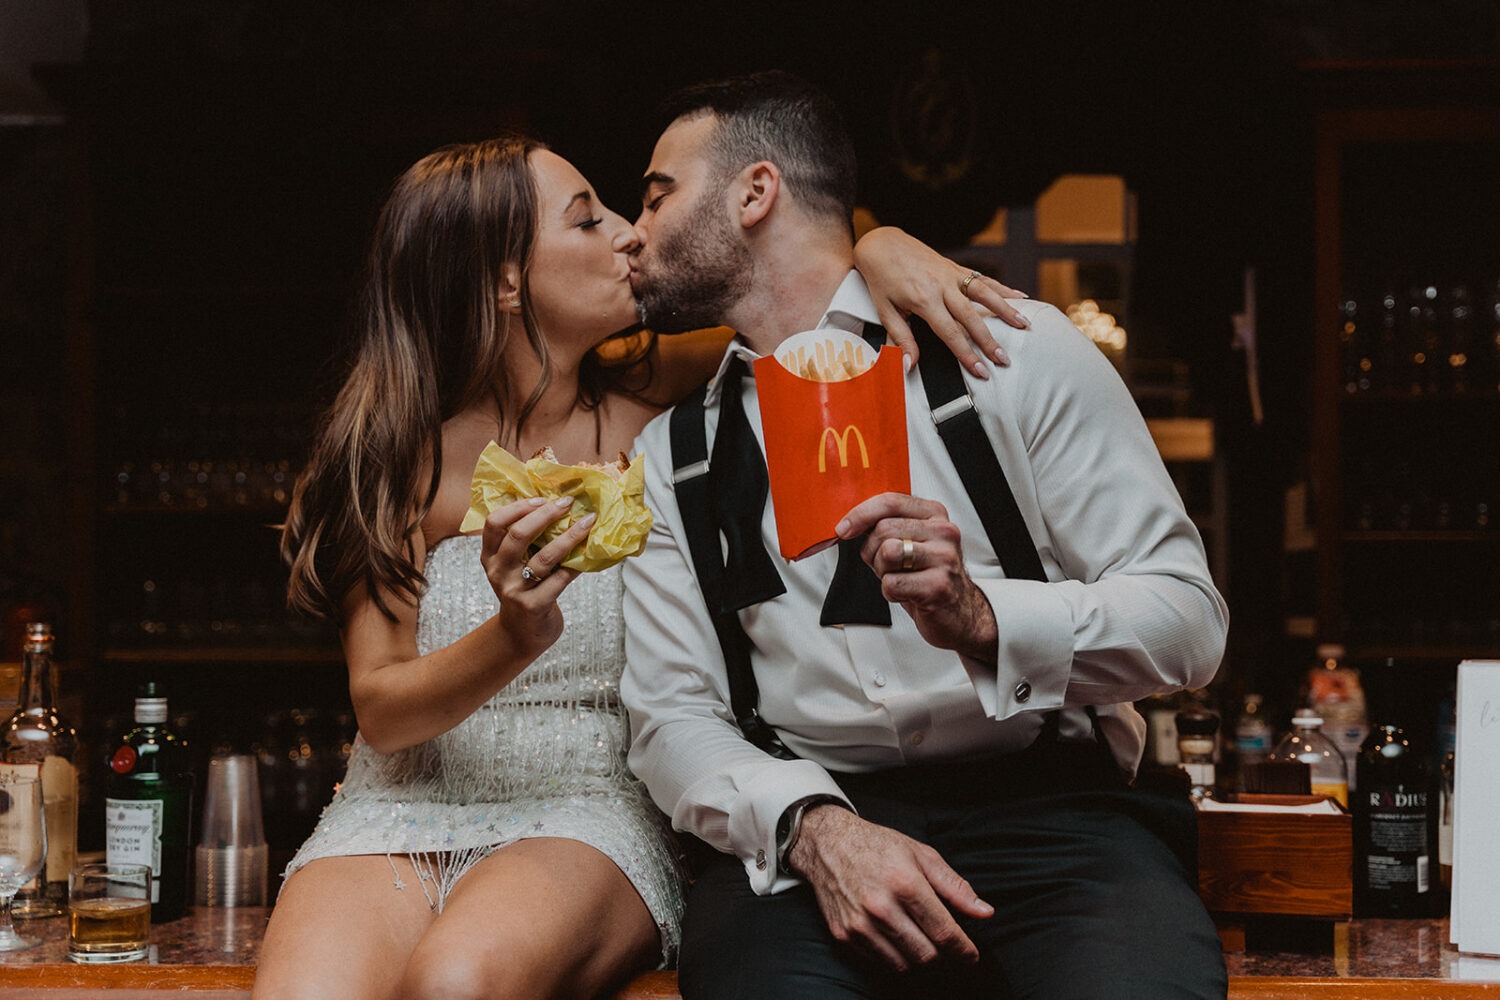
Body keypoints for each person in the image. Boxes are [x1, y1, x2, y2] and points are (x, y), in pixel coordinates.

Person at [251, 132, 1027, 1000]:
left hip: (585, 804)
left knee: (456, 983)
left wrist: (885, 246)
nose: (629, 233)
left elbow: (802, 291)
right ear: (507, 282)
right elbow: (383, 712)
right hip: (392, 806)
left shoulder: (662, 398)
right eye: (589, 221)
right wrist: (514, 633)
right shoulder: (395, 456)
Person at [620, 71, 1231, 999]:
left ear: (755, 192)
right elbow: (673, 716)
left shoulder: (1017, 353)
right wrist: (816, 830)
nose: (636, 229)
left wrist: (986, 619)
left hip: (1058, 822)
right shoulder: (674, 457)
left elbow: (1191, 625)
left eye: (658, 193)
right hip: (810, 838)